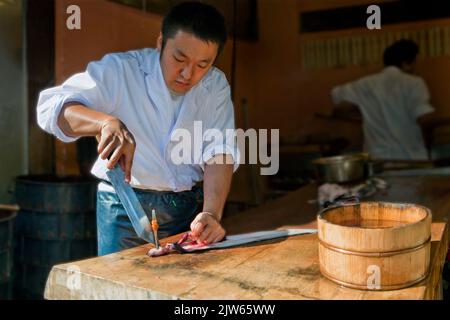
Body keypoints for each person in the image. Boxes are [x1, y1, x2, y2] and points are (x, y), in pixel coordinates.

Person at [37, 2, 239, 255]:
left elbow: (220, 151)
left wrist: (211, 212)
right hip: (124, 206)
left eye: (202, 65)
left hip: (186, 209)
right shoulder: (122, 70)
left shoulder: (215, 85)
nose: (188, 73)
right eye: (179, 59)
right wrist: (102, 121)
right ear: (160, 43)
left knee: (176, 288)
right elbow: (52, 108)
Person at [331, 39, 443, 161]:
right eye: (414, 62)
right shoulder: (414, 83)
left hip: (377, 160)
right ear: (406, 63)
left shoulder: (365, 84)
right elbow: (425, 119)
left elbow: (339, 105)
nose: (414, 67)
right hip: (409, 158)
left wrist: (362, 111)